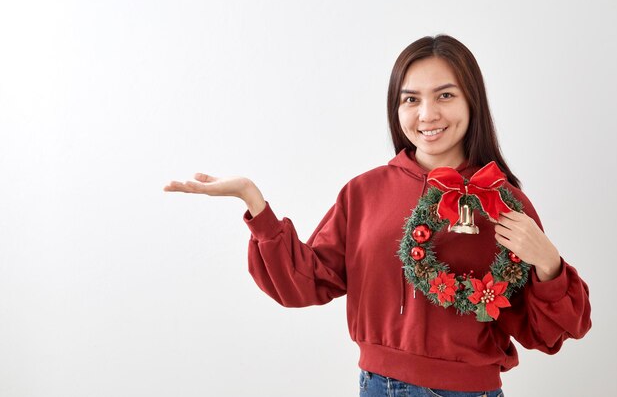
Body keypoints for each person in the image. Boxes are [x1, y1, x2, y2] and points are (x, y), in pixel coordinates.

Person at [163, 34, 592, 396]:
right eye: (411, 99)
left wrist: (548, 263)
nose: (428, 114)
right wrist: (253, 202)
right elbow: (304, 283)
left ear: (472, 101)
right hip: (376, 385)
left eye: (445, 95)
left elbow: (545, 332)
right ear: (397, 107)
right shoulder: (364, 192)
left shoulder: (501, 200)